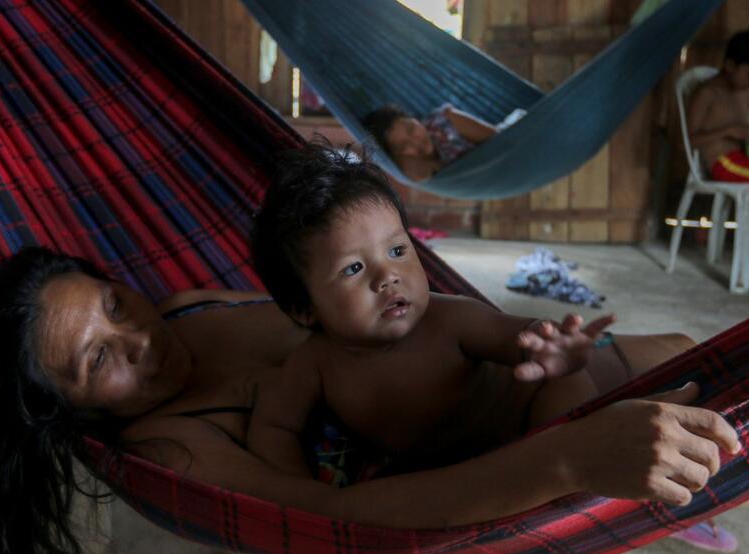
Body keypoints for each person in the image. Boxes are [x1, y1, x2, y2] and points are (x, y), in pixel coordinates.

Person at [0, 244, 740, 554]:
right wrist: (568, 460)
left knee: (696, 360)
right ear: (70, 410)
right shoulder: (175, 446)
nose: (139, 337)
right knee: (722, 436)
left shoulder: (185, 308)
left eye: (114, 303)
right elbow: (340, 520)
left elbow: (345, 316)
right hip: (520, 442)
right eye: (99, 358)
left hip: (500, 369)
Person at [248, 143, 625, 477]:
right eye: (353, 268)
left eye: (397, 251)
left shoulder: (451, 319)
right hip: (451, 475)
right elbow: (274, 427)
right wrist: (299, 494)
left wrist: (551, 348)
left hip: (528, 425)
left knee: (563, 384)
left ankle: (561, 486)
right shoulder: (314, 364)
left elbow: (520, 335)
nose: (388, 276)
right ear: (304, 308)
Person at [687, 28, 749, 227]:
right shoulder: (708, 93)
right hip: (724, 164)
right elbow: (689, 140)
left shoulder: (748, 91)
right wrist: (729, 131)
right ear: (730, 66)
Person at [362, 103, 526, 181]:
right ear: (396, 156)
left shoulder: (445, 120)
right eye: (404, 146)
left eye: (411, 129)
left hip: (518, 133)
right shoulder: (410, 166)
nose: (415, 142)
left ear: (416, 120)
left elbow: (499, 139)